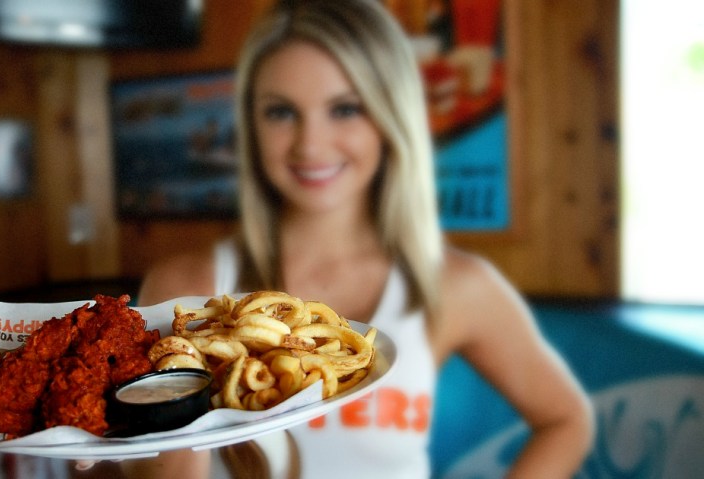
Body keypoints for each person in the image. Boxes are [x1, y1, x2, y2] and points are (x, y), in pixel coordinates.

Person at [133, 0, 595, 477]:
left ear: (390, 116)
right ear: (251, 123)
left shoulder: (458, 285)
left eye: (345, 108)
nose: (310, 145)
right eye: (281, 112)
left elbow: (566, 419)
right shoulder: (186, 289)